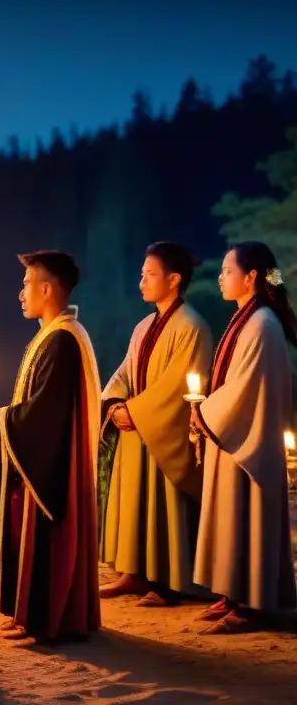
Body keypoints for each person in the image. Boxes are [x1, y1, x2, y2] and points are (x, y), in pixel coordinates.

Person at [0, 251, 102, 644]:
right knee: (22, 533)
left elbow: (45, 412)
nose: (21, 293)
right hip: (43, 455)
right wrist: (0, 419)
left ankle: (47, 621)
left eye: (27, 284)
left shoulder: (62, 339)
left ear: (47, 289)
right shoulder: (55, 334)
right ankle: (28, 614)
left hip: (52, 462)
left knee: (44, 537)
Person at [190, 241, 297, 634]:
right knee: (231, 517)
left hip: (247, 439)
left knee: (246, 516)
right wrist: (209, 413)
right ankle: (234, 595)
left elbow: (245, 388)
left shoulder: (262, 324)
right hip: (232, 435)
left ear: (250, 277)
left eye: (227, 271)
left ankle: (253, 605)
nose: (220, 278)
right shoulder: (247, 319)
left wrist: (203, 412)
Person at [98, 243, 212, 606]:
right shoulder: (144, 325)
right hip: (136, 428)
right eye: (141, 275)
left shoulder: (192, 326)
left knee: (163, 504)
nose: (141, 282)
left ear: (174, 279)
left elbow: (179, 384)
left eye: (150, 275)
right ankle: (132, 573)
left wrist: (136, 412)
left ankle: (167, 582)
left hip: (163, 432)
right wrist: (115, 403)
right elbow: (125, 371)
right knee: (134, 500)